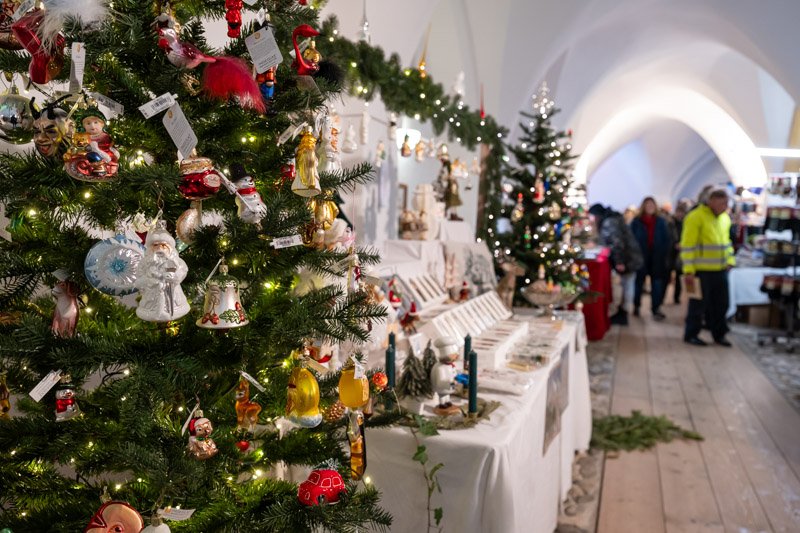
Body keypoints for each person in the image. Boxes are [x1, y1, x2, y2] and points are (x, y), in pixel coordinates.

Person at [680, 188, 735, 346]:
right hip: (700, 270)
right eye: (722, 203)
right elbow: (688, 245)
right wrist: (688, 270)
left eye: (726, 203)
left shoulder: (725, 218)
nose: (725, 206)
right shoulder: (695, 217)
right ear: (711, 201)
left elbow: (726, 242)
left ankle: (719, 334)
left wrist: (730, 260)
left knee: (721, 304)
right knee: (698, 305)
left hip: (720, 269)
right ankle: (691, 334)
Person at [589, 204, 644, 326]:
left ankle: (623, 313)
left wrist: (620, 262)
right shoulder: (612, 219)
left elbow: (617, 243)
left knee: (627, 286)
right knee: (627, 285)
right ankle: (623, 311)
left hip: (628, 259)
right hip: (629, 257)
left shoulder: (609, 222)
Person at [630, 197, 673, 321]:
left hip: (657, 257)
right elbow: (631, 239)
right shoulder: (636, 222)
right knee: (639, 283)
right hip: (641, 256)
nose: (650, 207)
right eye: (648, 205)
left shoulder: (661, 222)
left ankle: (656, 308)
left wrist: (664, 254)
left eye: (652, 205)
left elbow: (667, 239)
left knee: (657, 284)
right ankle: (636, 305)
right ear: (643, 206)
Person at [669, 199, 692, 304]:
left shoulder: (687, 223)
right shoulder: (671, 222)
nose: (680, 214)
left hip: (682, 252)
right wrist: (675, 243)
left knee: (680, 276)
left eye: (682, 212)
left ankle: (677, 297)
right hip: (671, 252)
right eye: (678, 212)